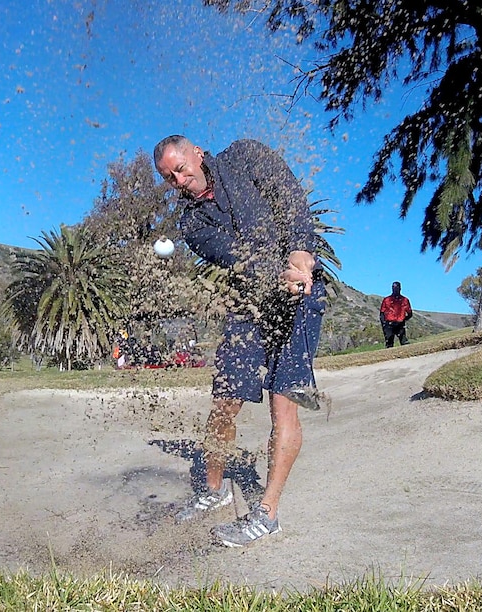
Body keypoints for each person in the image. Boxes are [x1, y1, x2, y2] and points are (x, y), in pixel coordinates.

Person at [153, 135, 326, 547]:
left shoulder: (244, 155)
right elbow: (237, 258)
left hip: (299, 298)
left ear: (196, 152)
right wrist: (275, 275)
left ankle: (266, 514)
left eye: (181, 167)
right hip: (250, 302)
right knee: (223, 401)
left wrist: (301, 251)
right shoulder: (193, 224)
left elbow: (288, 193)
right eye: (169, 177)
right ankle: (213, 491)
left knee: (283, 406)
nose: (179, 179)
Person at [379, 281, 412, 348]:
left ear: (400, 288)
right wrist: (384, 323)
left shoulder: (405, 300)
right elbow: (382, 312)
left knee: (404, 341)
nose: (395, 289)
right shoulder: (387, 300)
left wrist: (403, 319)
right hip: (389, 324)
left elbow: (409, 313)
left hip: (399, 323)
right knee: (389, 342)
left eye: (396, 287)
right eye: (393, 287)